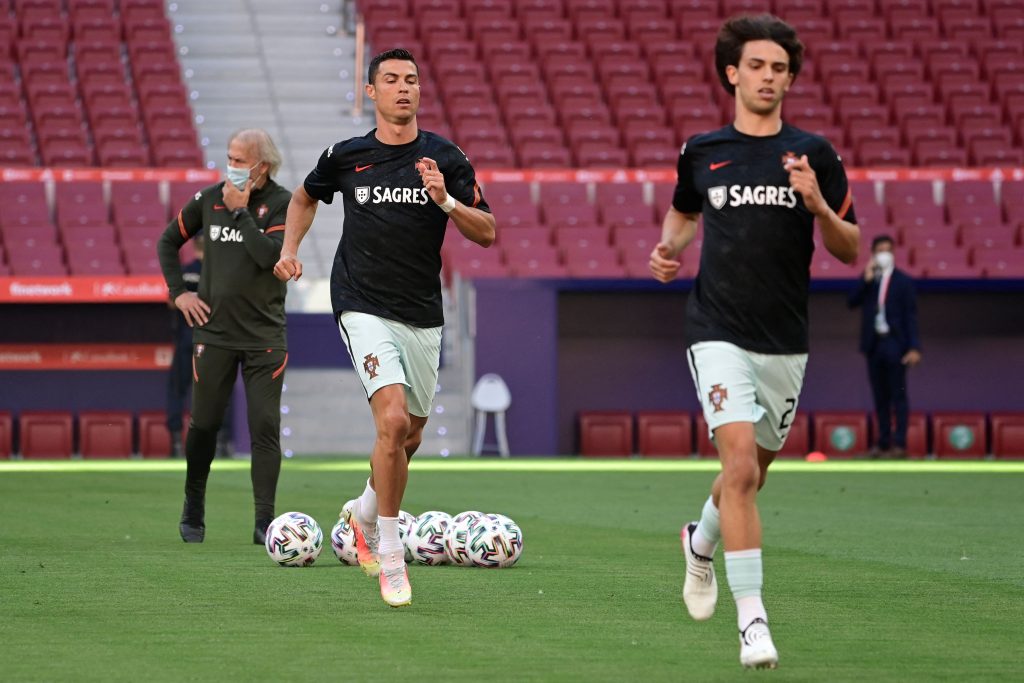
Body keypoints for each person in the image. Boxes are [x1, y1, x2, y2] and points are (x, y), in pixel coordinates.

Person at [649, 15, 859, 670]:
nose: (769, 77)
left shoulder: (815, 154)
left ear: (790, 79)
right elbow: (684, 210)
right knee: (737, 465)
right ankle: (753, 622)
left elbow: (850, 248)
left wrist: (820, 205)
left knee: (752, 475)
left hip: (785, 342)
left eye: (780, 68)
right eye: (758, 66)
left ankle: (700, 542)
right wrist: (669, 248)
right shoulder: (703, 150)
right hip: (716, 329)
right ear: (732, 73)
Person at [273, 48, 495, 607]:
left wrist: (444, 200)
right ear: (370, 92)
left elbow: (488, 231)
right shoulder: (347, 156)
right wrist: (290, 248)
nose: (403, 88)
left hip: (422, 312)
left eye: (412, 80)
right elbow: (304, 196)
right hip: (360, 304)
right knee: (392, 420)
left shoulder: (445, 157)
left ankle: (360, 513)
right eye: (391, 80)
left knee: (410, 435)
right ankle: (389, 556)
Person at [156, 128, 292, 545]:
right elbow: (167, 241)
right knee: (204, 425)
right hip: (213, 334)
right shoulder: (208, 198)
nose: (231, 166)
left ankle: (263, 522)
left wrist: (241, 213)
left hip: (264, 337)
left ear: (262, 166)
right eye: (229, 157)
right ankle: (193, 506)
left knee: (264, 426)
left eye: (239, 160)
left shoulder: (284, 203)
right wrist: (179, 294)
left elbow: (271, 257)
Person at [847, 235, 922, 459]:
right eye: (880, 249)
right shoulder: (870, 280)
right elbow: (851, 302)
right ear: (873, 253)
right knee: (880, 397)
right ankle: (882, 443)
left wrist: (914, 347)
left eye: (888, 249)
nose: (884, 253)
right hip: (874, 344)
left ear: (894, 252)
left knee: (898, 395)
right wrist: (866, 278)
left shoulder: (903, 282)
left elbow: (911, 317)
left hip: (895, 343)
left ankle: (899, 445)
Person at [165, 234, 233, 460]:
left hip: (188, 335)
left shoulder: (185, 271)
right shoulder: (221, 271)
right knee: (219, 390)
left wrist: (189, 301)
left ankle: (176, 443)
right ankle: (222, 443)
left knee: (178, 388)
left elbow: (171, 300)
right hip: (215, 338)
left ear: (193, 244)